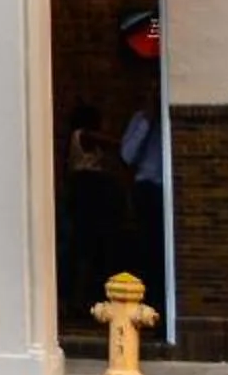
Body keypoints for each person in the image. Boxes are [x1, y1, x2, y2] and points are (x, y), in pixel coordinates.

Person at [59, 102, 118, 316]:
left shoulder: (75, 138)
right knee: (83, 244)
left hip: (84, 187)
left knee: (86, 245)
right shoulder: (83, 135)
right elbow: (111, 143)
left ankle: (80, 297)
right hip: (86, 188)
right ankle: (78, 299)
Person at [118, 87, 167, 296]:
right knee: (148, 247)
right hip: (147, 188)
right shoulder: (140, 119)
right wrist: (147, 120)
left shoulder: (170, 121)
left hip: (166, 188)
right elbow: (127, 155)